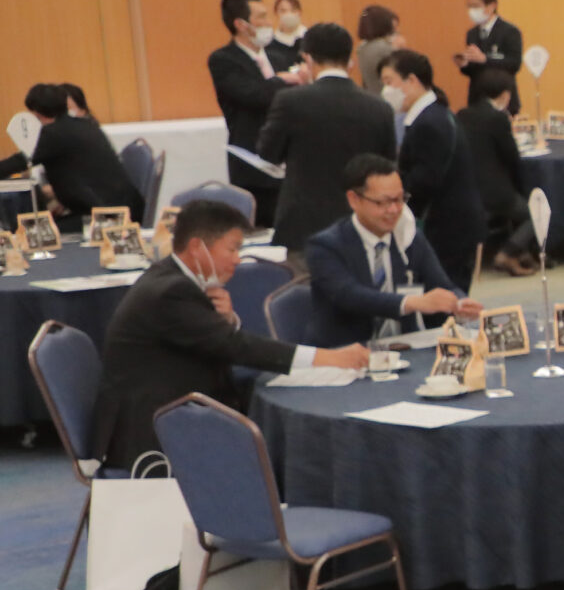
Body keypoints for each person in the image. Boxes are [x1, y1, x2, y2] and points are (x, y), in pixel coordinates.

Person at [90, 198, 367, 470]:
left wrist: (227, 320)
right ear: (197, 247)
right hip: (151, 436)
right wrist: (328, 358)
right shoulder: (171, 292)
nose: (237, 259)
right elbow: (237, 347)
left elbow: (214, 340)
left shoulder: (172, 277)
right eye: (232, 249)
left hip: (180, 408)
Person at [304, 155, 484, 345]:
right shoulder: (325, 246)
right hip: (346, 351)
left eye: (399, 200)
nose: (394, 210)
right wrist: (411, 302)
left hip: (406, 347)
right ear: (354, 200)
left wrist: (460, 303)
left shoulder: (409, 237)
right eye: (382, 202)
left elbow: (442, 285)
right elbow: (350, 295)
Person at [258, 21, 399, 253]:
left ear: (308, 58)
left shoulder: (290, 100)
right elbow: (388, 164)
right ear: (349, 58)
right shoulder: (379, 107)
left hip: (303, 224)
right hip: (361, 222)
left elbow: (268, 152)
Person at [380, 50, 483, 288]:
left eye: (389, 81)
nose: (385, 90)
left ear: (412, 80)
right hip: (451, 223)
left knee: (445, 294)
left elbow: (425, 180)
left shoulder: (429, 122)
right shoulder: (433, 113)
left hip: (447, 227)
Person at [207, 0, 305, 220]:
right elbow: (254, 94)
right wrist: (283, 80)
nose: (268, 22)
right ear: (241, 25)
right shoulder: (224, 60)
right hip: (253, 166)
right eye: (261, 17)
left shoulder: (278, 57)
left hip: (289, 164)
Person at [21, 83, 140, 228]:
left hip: (107, 216)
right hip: (119, 207)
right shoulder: (88, 126)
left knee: (38, 229)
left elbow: (20, 161)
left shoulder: (57, 133)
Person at [456, 66, 538, 276]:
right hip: (493, 193)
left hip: (465, 188)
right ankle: (508, 253)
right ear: (505, 94)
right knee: (535, 213)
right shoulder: (498, 118)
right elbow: (512, 157)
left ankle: (521, 252)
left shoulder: (463, 114)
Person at [459, 0, 522, 108]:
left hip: (503, 98)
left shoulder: (510, 31)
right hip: (477, 99)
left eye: (476, 6)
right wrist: (464, 65)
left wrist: (485, 59)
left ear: (492, 6)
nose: (472, 11)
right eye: (469, 6)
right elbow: (473, 70)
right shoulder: (472, 34)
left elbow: (514, 64)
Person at [354, 5, 402, 93]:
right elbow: (401, 72)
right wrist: (399, 50)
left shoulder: (361, 48)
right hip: (387, 94)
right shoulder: (383, 47)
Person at [267, 0, 307, 66]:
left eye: (293, 10)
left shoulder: (309, 38)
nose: (288, 14)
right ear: (276, 13)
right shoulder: (270, 43)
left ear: (299, 12)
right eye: (283, 11)